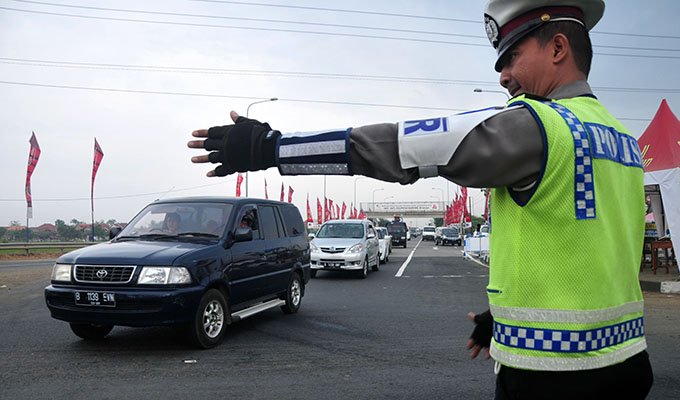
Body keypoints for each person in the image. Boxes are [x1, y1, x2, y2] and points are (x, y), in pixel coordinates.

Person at [187, 0, 653, 398]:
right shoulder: (623, 142)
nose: (505, 77)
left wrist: (272, 149)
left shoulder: (538, 125)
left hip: (553, 379)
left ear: (557, 48)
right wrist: (511, 319)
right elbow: (588, 247)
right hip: (629, 363)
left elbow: (402, 146)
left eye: (512, 57)